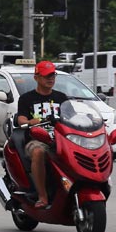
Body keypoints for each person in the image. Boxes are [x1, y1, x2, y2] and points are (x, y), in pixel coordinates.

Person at [15, 60, 69, 209]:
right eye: (46, 76)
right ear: (36, 77)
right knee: (38, 152)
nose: (50, 79)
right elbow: (21, 118)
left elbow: (71, 116)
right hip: (37, 139)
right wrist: (31, 122)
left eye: (53, 75)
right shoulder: (27, 98)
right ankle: (43, 196)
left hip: (60, 139)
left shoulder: (62, 97)